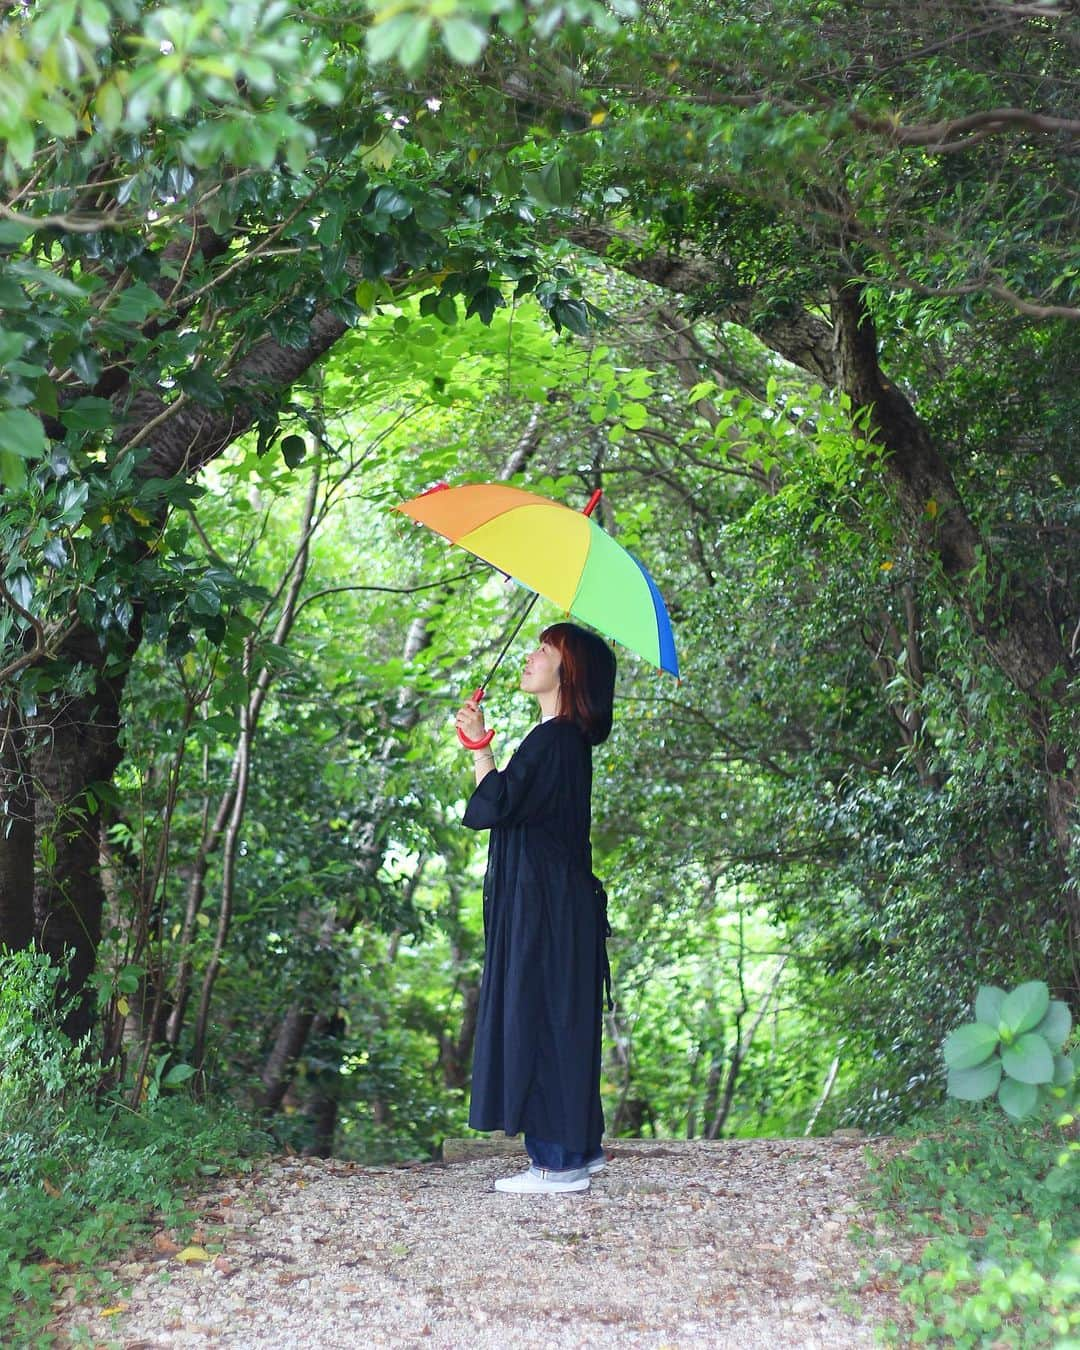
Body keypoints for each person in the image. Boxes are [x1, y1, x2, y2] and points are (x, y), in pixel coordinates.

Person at [455, 622, 616, 1194]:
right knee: (561, 1013)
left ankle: (556, 1164)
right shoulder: (562, 741)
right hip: (559, 903)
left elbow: (494, 805)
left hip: (546, 907)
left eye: (543, 651)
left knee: (543, 1013)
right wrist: (483, 749)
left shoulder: (553, 742)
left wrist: (479, 747)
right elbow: (509, 806)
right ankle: (577, 1147)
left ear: (567, 672)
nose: (530, 658)